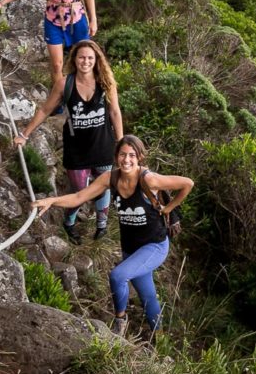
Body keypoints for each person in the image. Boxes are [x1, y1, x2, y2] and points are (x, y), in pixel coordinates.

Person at [33, 135, 192, 335]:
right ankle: (159, 340)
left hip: (154, 246)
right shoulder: (111, 178)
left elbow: (187, 183)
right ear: (116, 157)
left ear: (140, 157)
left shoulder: (148, 179)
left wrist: (169, 208)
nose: (127, 160)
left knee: (117, 276)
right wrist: (51, 201)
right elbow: (79, 197)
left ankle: (120, 321)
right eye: (123, 155)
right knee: (148, 296)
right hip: (130, 249)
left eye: (132, 155)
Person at [14, 39, 122, 243]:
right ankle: (69, 223)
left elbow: (115, 112)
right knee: (79, 190)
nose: (86, 61)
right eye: (82, 57)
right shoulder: (65, 83)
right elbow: (46, 109)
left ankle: (102, 225)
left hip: (102, 145)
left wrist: (122, 141)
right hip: (76, 149)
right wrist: (24, 134)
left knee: (103, 186)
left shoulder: (105, 82)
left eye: (90, 58)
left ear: (97, 60)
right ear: (74, 59)